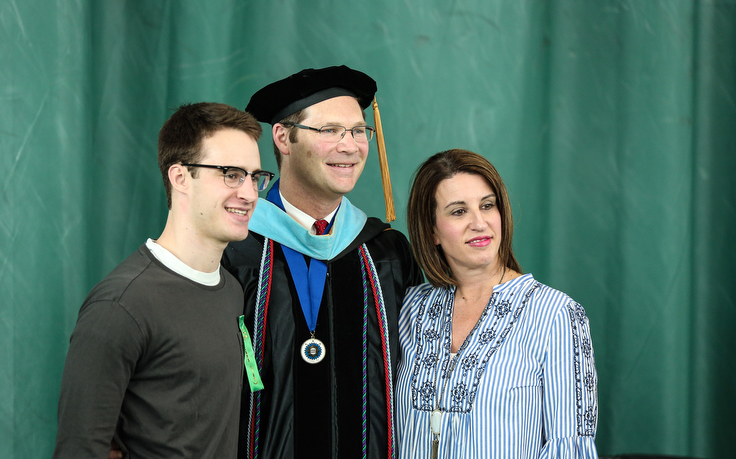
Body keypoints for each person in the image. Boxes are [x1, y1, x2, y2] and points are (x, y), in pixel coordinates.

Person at [222, 66, 423, 458]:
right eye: (330, 130)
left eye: (358, 131)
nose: (350, 146)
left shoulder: (386, 252)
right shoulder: (237, 248)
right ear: (283, 138)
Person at [53, 102, 273, 459]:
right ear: (180, 177)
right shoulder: (122, 305)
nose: (249, 193)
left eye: (255, 177)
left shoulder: (231, 290)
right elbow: (79, 449)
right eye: (231, 174)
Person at [397, 149, 599, 458]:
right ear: (432, 230)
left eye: (487, 206)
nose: (479, 223)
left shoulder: (555, 314)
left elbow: (569, 448)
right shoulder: (410, 309)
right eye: (458, 211)